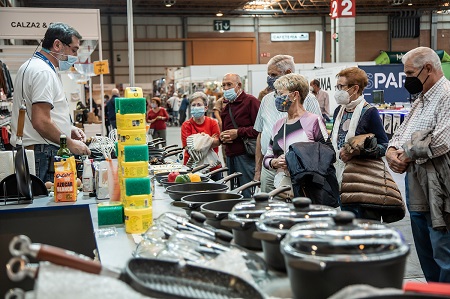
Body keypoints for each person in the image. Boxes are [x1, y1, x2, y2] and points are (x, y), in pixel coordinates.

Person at [386, 47, 450, 283]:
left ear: (429, 69)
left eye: (410, 73)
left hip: (440, 187)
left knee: (443, 249)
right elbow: (398, 135)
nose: (407, 79)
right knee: (425, 251)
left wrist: (406, 154)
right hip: (415, 186)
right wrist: (392, 152)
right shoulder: (420, 100)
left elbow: (442, 141)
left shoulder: (446, 96)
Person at [10, 22, 90, 183]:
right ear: (57, 45)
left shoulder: (32, 66)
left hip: (37, 150)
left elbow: (42, 114)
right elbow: (41, 121)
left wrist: (68, 128)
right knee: (48, 205)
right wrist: (70, 143)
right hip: (43, 152)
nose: (74, 57)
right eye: (73, 50)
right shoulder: (43, 72)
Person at [254, 54, 322, 193]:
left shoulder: (309, 101)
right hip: (270, 168)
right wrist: (258, 169)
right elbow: (261, 134)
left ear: (288, 73)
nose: (269, 78)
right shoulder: (267, 100)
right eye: (268, 74)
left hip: (299, 171)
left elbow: (319, 143)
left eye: (273, 74)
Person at [330, 67, 389, 213]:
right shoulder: (339, 110)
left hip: (362, 181)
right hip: (340, 177)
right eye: (337, 86)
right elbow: (334, 140)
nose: (338, 91)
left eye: (341, 87)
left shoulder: (369, 112)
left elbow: (384, 145)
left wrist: (357, 152)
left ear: (355, 88)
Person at [263, 73, 330, 199]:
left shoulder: (314, 121)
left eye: (280, 93)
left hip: (307, 192)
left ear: (295, 95)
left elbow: (328, 154)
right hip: (281, 190)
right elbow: (267, 157)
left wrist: (294, 162)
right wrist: (274, 162)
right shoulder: (278, 125)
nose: (276, 98)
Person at [220, 73, 260, 198]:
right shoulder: (228, 106)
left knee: (247, 192)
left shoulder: (250, 102)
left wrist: (238, 132)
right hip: (231, 155)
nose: (226, 88)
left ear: (239, 85)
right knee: (235, 193)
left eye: (229, 84)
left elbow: (259, 129)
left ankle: (249, 216)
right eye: (224, 85)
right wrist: (223, 137)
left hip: (245, 156)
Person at [181, 92, 222, 180]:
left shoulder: (213, 123)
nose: (196, 107)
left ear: (205, 108)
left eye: (199, 104)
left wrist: (197, 139)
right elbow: (189, 147)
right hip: (192, 167)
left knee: (216, 192)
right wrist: (208, 139)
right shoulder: (186, 125)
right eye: (193, 105)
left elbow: (217, 142)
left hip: (212, 167)